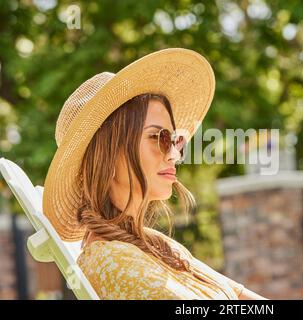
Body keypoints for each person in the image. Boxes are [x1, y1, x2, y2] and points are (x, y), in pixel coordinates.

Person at [42, 48, 267, 300]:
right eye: (157, 137)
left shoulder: (155, 244)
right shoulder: (111, 261)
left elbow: (239, 295)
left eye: (175, 139)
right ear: (107, 154)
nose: (174, 154)